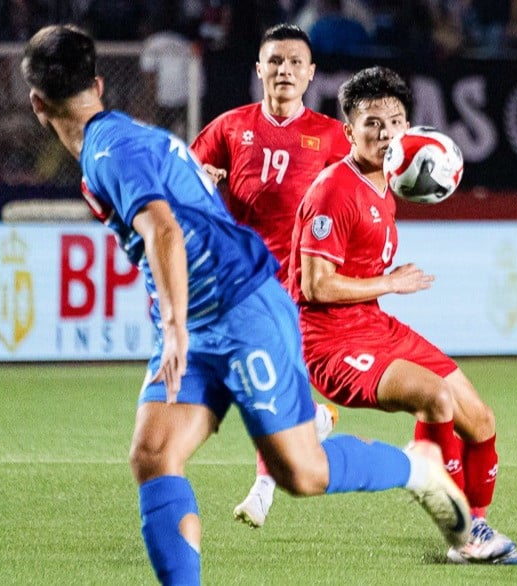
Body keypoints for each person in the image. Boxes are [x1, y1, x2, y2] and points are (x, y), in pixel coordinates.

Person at [21, 24, 470, 584]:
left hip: (240, 308)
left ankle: (418, 466)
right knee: (154, 454)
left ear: (38, 104)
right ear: (99, 83)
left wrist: (176, 327)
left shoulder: (109, 152)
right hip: (209, 308)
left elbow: (162, 229)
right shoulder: (142, 137)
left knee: (301, 473)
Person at [287, 65, 517, 566]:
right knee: (435, 397)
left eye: (395, 121)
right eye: (372, 122)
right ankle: (460, 534)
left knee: (481, 422)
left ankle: (476, 524)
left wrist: (382, 288)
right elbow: (314, 286)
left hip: (373, 326)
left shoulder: (391, 180)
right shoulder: (333, 189)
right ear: (348, 130)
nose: (385, 133)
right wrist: (390, 282)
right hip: (329, 342)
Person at [189, 22, 351, 529]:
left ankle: (261, 491)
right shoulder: (231, 128)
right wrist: (204, 177)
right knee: (257, 387)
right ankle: (316, 421)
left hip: (301, 284)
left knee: (271, 386)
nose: (284, 71)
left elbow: (357, 195)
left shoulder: (330, 136)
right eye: (275, 62)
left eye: (294, 63)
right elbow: (184, 177)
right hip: (239, 281)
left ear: (311, 74)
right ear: (259, 69)